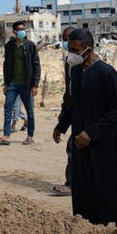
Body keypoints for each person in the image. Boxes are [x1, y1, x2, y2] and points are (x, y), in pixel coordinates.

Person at [56, 29, 117, 225]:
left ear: (88, 49)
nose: (72, 54)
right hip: (80, 141)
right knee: (84, 185)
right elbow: (74, 102)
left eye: (76, 50)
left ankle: (114, 225)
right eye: (70, 49)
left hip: (104, 142)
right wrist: (62, 124)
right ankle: (86, 224)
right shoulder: (75, 71)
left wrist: (91, 133)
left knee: (106, 185)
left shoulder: (106, 73)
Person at [0, 20, 40, 145]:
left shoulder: (30, 45)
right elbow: (6, 65)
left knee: (30, 111)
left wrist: (35, 84)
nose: (22, 31)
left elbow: (36, 65)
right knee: (8, 109)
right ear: (14, 31)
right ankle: (6, 135)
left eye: (23, 29)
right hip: (12, 84)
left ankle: (30, 136)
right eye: (19, 29)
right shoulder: (9, 46)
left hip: (26, 85)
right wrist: (6, 83)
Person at [52, 26, 75, 196]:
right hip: (73, 107)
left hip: (84, 110)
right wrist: (64, 109)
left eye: (69, 39)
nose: (66, 42)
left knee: (73, 147)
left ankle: (72, 183)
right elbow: (69, 89)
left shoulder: (86, 64)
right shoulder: (69, 61)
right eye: (64, 38)